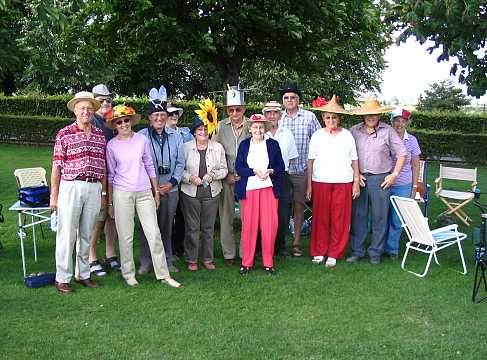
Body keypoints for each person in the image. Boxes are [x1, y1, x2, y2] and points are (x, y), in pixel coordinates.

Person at [106, 105, 182, 288]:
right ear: (115, 125)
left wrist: (155, 191)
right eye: (120, 121)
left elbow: (149, 165)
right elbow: (110, 175)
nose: (124, 124)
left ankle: (163, 274)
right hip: (122, 192)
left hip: (144, 191)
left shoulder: (141, 140)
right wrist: (109, 202)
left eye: (126, 120)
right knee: (126, 236)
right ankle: (128, 273)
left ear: (131, 121)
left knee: (154, 233)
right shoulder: (112, 145)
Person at [51, 91, 106, 293]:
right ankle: (62, 278)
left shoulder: (100, 135)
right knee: (67, 234)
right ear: (75, 110)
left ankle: (83, 274)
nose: (86, 111)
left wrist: (103, 194)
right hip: (71, 186)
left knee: (86, 233)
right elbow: (56, 166)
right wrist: (54, 196)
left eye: (89, 108)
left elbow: (104, 167)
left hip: (94, 187)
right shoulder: (64, 133)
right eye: (82, 108)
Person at [347, 99, 407, 265]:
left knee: (380, 217)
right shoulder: (354, 131)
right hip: (360, 179)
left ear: (379, 115)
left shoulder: (388, 131)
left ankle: (375, 252)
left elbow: (402, 153)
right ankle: (358, 251)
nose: (371, 117)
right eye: (368, 114)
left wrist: (394, 174)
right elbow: (346, 154)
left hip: (381, 179)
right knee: (358, 216)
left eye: (374, 114)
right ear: (363, 115)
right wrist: (355, 173)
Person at [306, 95, 360, 268]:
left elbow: (354, 159)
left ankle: (335, 253)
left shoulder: (348, 136)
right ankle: (319, 251)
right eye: (328, 117)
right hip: (320, 181)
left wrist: (356, 182)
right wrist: (309, 186)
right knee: (320, 218)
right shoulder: (316, 136)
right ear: (323, 118)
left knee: (339, 219)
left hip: (343, 181)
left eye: (334, 117)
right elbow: (310, 161)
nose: (331, 120)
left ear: (340, 118)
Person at [138, 99, 185, 273]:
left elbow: (180, 163)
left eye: (162, 115)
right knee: (147, 226)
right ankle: (146, 261)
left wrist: (172, 183)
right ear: (149, 117)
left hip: (170, 188)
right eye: (155, 115)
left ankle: (167, 260)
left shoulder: (176, 136)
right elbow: (139, 163)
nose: (159, 118)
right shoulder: (141, 136)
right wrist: (153, 187)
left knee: (166, 226)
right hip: (147, 189)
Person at [235, 114, 285, 276]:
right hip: (250, 189)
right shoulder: (244, 145)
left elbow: (281, 167)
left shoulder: (273, 144)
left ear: (265, 128)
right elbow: (239, 168)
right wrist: (254, 171)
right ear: (250, 129)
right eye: (255, 127)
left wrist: (270, 171)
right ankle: (246, 263)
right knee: (249, 226)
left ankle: (268, 263)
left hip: (269, 189)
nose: (258, 129)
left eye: (261, 127)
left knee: (270, 226)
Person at [279, 82, 321, 257]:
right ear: (283, 101)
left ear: (298, 100)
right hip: (281, 172)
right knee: (280, 208)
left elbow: (319, 139)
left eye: (293, 97)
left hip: (301, 170)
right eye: (286, 98)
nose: (289, 100)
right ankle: (279, 243)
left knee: (298, 207)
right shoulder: (278, 118)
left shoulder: (309, 117)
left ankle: (296, 242)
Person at [180, 114, 228, 271]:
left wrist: (213, 175)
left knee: (208, 228)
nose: (203, 132)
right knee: (192, 228)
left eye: (206, 129)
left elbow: (224, 170)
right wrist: (190, 177)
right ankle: (191, 259)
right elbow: (179, 171)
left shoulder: (217, 147)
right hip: (190, 193)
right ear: (194, 132)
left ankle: (207, 259)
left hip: (211, 193)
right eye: (199, 129)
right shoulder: (185, 147)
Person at [214, 85, 250, 265]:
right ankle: (229, 253)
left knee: (247, 217)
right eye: (231, 109)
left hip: (247, 178)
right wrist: (225, 174)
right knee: (226, 216)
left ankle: (245, 253)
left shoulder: (253, 125)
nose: (235, 113)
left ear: (243, 109)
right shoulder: (220, 126)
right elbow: (215, 151)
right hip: (226, 178)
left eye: (238, 109)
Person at [87, 83, 120, 277]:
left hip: (115, 177)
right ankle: (91, 257)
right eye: (101, 100)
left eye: (108, 100)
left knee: (111, 217)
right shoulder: (92, 121)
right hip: (99, 177)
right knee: (98, 219)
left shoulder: (113, 122)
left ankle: (110, 254)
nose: (106, 103)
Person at [385, 108, 421, 260]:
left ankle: (392, 249)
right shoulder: (385, 137)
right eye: (396, 121)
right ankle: (379, 246)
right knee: (380, 216)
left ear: (406, 123)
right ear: (391, 122)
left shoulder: (411, 140)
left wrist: (414, 187)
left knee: (397, 218)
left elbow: (415, 165)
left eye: (402, 121)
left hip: (403, 185)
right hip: (384, 183)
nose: (399, 124)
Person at [263, 100, 298, 257]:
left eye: (275, 112)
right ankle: (262, 247)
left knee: (282, 213)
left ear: (280, 114)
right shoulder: (259, 132)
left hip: (282, 176)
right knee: (264, 213)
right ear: (264, 115)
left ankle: (280, 246)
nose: (272, 116)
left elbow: (290, 158)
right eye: (268, 113)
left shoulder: (287, 133)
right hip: (262, 176)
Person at [166, 103, 193, 258]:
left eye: (176, 113)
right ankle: (168, 247)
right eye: (171, 113)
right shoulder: (161, 134)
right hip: (169, 180)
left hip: (186, 180)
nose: (174, 116)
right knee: (168, 216)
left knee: (182, 216)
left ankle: (180, 247)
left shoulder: (186, 134)